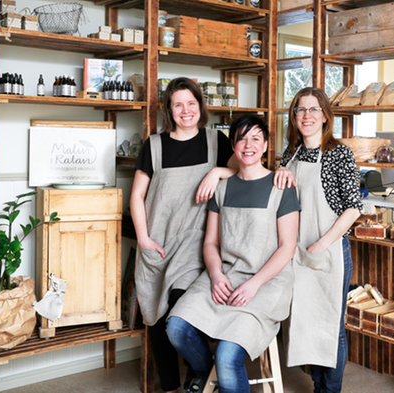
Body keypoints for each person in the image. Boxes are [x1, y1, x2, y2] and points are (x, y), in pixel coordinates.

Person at [166, 115, 300, 393]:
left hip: (266, 282)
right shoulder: (222, 188)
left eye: (255, 139)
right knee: (176, 327)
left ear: (265, 146)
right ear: (234, 146)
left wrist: (253, 284)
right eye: (241, 138)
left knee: (228, 357)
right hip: (224, 274)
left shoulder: (282, 187)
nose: (248, 145)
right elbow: (211, 244)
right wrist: (215, 276)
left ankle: (216, 369)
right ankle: (203, 371)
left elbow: (287, 247)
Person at [130, 77, 237, 393]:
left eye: (191, 103)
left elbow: (245, 169)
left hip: (195, 242)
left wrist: (218, 171)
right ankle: (171, 387)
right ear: (169, 110)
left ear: (200, 107)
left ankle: (199, 374)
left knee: (182, 309)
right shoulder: (154, 145)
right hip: (157, 242)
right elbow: (137, 196)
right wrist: (144, 239)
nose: (186, 110)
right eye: (178, 104)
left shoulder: (216, 141)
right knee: (155, 317)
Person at [275, 87, 362, 393]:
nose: (307, 116)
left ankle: (329, 390)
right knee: (305, 320)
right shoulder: (290, 154)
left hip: (329, 251)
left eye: (314, 110)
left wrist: (323, 243)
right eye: (301, 110)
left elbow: (354, 208)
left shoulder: (338, 154)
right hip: (296, 251)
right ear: (294, 116)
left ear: (325, 116)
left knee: (330, 325)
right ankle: (317, 384)